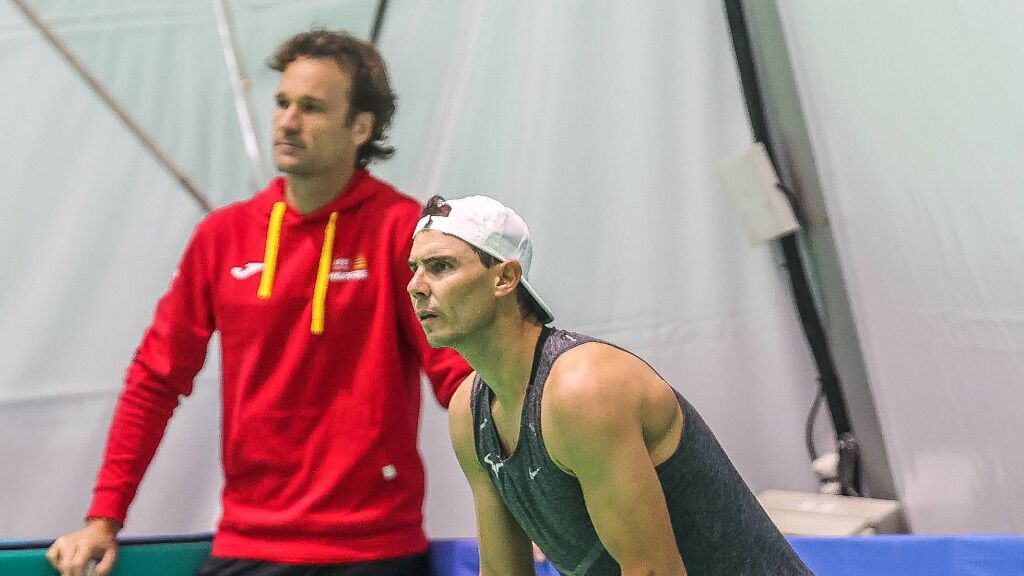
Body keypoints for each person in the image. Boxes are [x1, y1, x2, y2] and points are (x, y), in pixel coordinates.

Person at [45, 30, 470, 576]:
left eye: (312, 108)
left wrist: (532, 516)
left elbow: (464, 383)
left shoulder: (403, 231)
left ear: (360, 128)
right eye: (282, 102)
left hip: (374, 549)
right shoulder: (222, 236)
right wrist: (104, 518)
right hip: (248, 544)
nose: (288, 121)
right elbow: (155, 379)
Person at [406, 195, 815, 575]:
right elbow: (501, 573)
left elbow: (653, 572)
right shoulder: (468, 411)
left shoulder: (582, 389)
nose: (416, 286)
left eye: (441, 267)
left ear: (505, 278)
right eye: (414, 269)